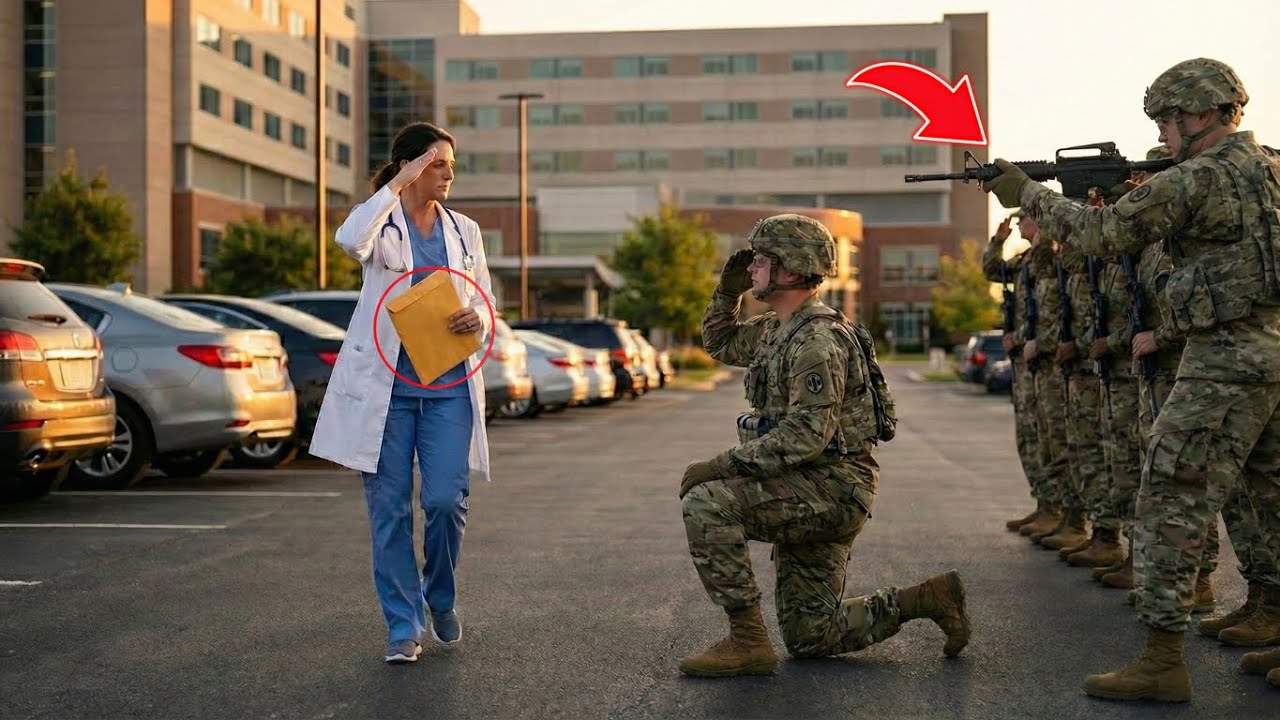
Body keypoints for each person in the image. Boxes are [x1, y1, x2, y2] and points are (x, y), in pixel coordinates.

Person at [982, 57, 1280, 699]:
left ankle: (1162, 660)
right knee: (1267, 495)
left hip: (1225, 356)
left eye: (1166, 122)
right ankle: (1273, 613)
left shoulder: (1200, 176)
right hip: (1274, 348)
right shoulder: (1274, 166)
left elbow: (1101, 232)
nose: (1164, 135)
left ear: (1197, 114)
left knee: (1172, 492)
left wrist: (1027, 192)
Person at [676, 214, 970, 678]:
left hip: (831, 489)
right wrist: (727, 292)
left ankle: (748, 641)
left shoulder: (818, 340)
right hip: (809, 485)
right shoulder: (777, 329)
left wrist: (720, 465)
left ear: (791, 271)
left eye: (761, 259)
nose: (751, 266)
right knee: (811, 636)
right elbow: (720, 342)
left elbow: (806, 436)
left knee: (708, 503)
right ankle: (928, 598)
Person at [309, 122, 495, 664]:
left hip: (448, 387)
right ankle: (402, 626)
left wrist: (477, 317)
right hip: (386, 392)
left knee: (443, 501)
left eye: (452, 166)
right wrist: (395, 185)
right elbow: (348, 239)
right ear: (412, 166)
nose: (450, 175)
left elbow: (485, 299)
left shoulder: (465, 231)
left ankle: (440, 595)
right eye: (440, 165)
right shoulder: (380, 223)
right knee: (388, 512)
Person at [981, 212, 1052, 532]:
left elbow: (1050, 310)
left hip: (1042, 358)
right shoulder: (1023, 261)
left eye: (1025, 218)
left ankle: (1061, 511)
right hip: (1024, 359)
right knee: (1029, 436)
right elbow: (991, 270)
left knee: (1049, 437)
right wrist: (998, 240)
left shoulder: (1048, 258)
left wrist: (1022, 337)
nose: (1020, 224)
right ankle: (1045, 504)